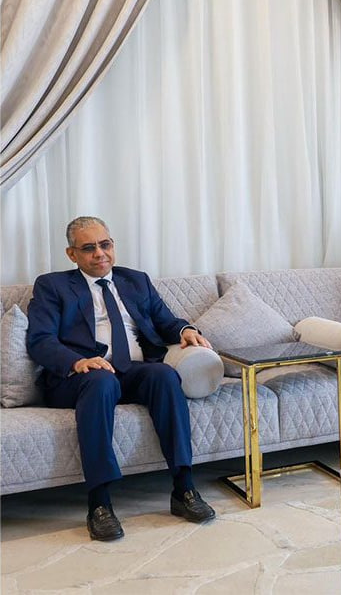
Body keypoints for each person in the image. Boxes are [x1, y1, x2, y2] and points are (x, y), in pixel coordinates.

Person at [26, 217, 216, 541]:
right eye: (89, 248)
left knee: (165, 376)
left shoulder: (136, 280)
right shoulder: (52, 286)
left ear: (112, 245)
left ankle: (184, 488)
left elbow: (166, 321)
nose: (100, 253)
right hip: (80, 377)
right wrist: (78, 361)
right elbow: (40, 340)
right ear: (72, 254)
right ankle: (99, 503)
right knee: (101, 381)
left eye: (105, 245)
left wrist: (185, 330)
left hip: (131, 371)